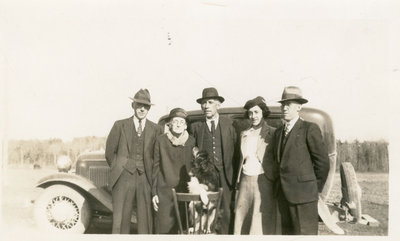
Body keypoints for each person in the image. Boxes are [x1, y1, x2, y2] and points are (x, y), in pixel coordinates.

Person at [263, 86, 330, 235]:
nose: (284, 108)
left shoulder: (309, 129)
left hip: (304, 198)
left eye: (288, 104)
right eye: (283, 105)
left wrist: (312, 189)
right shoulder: (279, 132)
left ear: (299, 106)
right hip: (282, 197)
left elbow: (323, 164)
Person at [105, 89, 162, 234]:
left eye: (146, 106)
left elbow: (157, 157)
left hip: (145, 178)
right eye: (139, 105)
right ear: (133, 106)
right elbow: (109, 153)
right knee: (120, 220)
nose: (142, 109)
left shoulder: (156, 129)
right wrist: (120, 167)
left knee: (145, 220)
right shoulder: (120, 125)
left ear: (149, 108)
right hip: (123, 177)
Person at [189, 87, 237, 234]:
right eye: (203, 103)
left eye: (210, 102)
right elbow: (193, 153)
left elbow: (236, 151)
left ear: (218, 105)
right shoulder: (196, 127)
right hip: (206, 178)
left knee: (227, 213)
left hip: (226, 175)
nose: (206, 106)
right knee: (206, 212)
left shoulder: (229, 124)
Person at [234, 96, 276, 234]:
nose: (253, 116)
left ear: (263, 112)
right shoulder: (244, 134)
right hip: (245, 181)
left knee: (258, 220)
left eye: (256, 112)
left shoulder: (273, 133)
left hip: (262, 181)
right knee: (242, 218)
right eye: (250, 113)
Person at [151, 108, 196, 234]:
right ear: (169, 124)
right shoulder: (161, 140)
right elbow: (155, 166)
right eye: (174, 121)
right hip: (164, 194)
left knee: (185, 230)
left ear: (186, 126)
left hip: (185, 193)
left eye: (181, 122)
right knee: (164, 231)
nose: (177, 124)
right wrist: (154, 192)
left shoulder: (191, 141)